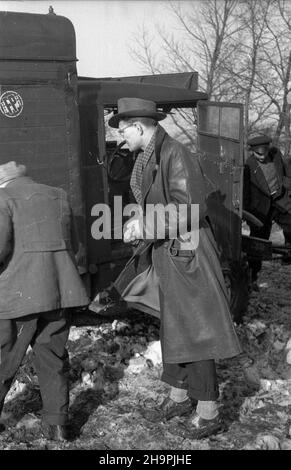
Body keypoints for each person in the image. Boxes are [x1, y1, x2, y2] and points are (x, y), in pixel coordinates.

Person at [90, 97, 243, 439]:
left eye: (123, 130)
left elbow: (189, 208)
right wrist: (136, 221)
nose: (121, 137)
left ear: (139, 127)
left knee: (197, 328)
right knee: (175, 322)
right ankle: (178, 395)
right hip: (171, 250)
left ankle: (208, 410)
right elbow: (158, 203)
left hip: (187, 252)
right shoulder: (152, 155)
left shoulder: (174, 153)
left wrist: (145, 226)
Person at [0, 161, 89, 441]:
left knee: (4, 360)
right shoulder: (58, 195)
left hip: (18, 297)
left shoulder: (2, 199)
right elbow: (74, 245)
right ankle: (57, 424)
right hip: (59, 294)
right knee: (53, 358)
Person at [243, 135, 291, 286]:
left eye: (264, 153)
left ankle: (287, 255)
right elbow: (245, 191)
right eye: (258, 154)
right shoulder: (248, 164)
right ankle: (253, 275)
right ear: (252, 151)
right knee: (258, 240)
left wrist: (286, 185)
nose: (262, 157)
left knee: (290, 223)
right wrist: (247, 210)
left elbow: (287, 171)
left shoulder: (276, 154)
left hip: (280, 198)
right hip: (260, 206)